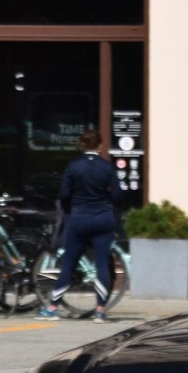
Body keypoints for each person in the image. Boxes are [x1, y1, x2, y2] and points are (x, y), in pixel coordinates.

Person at [41, 128, 123, 319]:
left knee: (69, 264)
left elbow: (64, 195)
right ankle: (100, 311)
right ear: (101, 145)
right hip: (103, 219)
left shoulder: (73, 166)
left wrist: (72, 208)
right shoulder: (107, 168)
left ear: (82, 145)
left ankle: (52, 308)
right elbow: (118, 195)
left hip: (79, 219)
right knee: (102, 264)